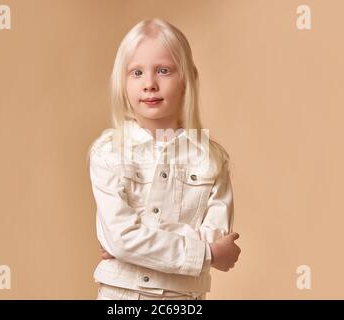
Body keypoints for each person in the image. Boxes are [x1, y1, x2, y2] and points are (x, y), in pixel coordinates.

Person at [88, 18, 241, 300]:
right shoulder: (108, 153)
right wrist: (207, 254)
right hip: (122, 298)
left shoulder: (212, 160)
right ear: (122, 83)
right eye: (136, 73)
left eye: (163, 70)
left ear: (187, 79)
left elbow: (216, 235)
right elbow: (122, 239)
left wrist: (137, 243)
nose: (149, 84)